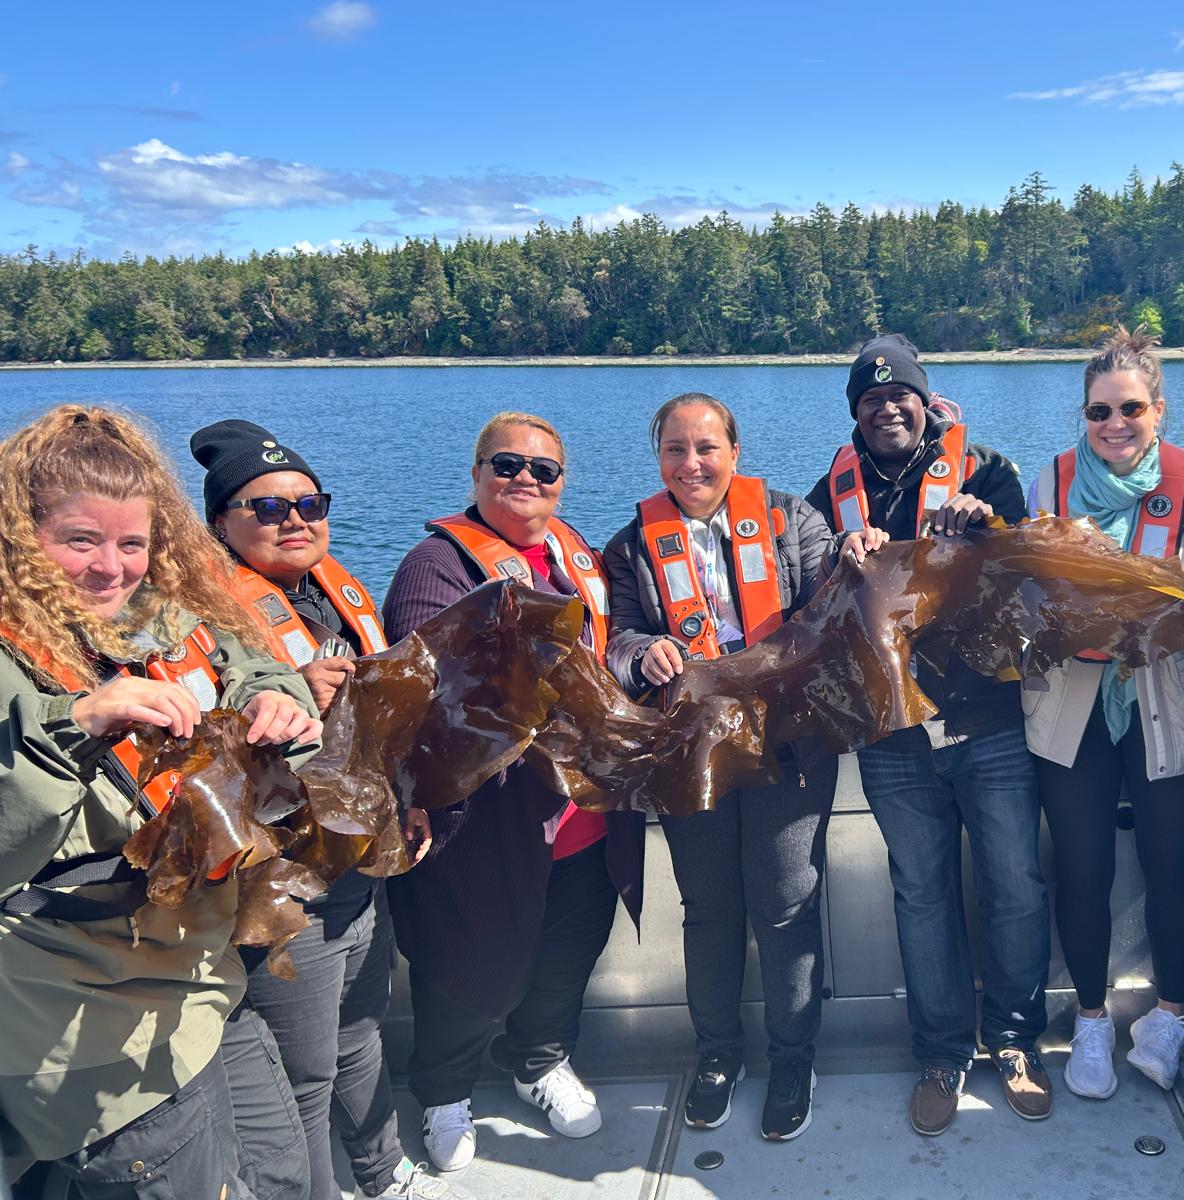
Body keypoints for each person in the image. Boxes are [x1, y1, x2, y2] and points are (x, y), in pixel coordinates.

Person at [0, 406, 321, 1198]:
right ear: (18, 537)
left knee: (282, 1172)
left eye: (133, 543)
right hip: (87, 1014)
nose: (112, 568)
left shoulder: (168, 618)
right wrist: (74, 724)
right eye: (80, 540)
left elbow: (255, 667)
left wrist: (278, 704)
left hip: (207, 973)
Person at [191, 420, 466, 1200]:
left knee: (359, 1027)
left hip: (360, 854)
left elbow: (383, 723)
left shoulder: (332, 595)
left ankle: (379, 1170)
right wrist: (278, 695)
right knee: (302, 1068)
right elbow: (188, 743)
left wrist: (405, 804)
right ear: (221, 525)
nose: (295, 519)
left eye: (310, 503)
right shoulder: (205, 619)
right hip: (284, 878)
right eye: (267, 508)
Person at [804, 335, 1053, 1135]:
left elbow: (1039, 569)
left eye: (900, 394)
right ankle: (943, 1052)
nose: (887, 408)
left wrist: (990, 528)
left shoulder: (988, 473)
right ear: (856, 413)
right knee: (921, 894)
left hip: (989, 722)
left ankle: (1015, 1041)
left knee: (1016, 883)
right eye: (870, 400)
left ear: (925, 400)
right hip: (893, 734)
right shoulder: (827, 499)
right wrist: (839, 561)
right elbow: (808, 605)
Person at [382, 412, 643, 1174]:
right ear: (476, 475)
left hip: (584, 814)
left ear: (562, 485)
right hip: (491, 818)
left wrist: (641, 654)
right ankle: (445, 1091)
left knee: (566, 953)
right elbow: (432, 690)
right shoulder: (436, 565)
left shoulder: (571, 554)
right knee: (470, 962)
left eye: (544, 469)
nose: (526, 479)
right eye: (507, 465)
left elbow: (607, 641)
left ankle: (539, 1060)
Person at [604, 392, 859, 1142]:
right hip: (694, 755)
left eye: (706, 448)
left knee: (785, 907)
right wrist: (638, 653)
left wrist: (854, 556)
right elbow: (614, 635)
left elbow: (831, 609)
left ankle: (792, 1058)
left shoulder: (791, 521)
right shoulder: (632, 546)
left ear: (735, 453)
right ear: (659, 460)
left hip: (790, 748)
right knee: (710, 909)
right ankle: (717, 1055)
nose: (691, 464)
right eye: (675, 450)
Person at [1024, 326, 1184, 1098]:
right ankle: (1090, 1022)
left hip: (1165, 695)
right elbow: (1041, 592)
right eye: (1098, 411)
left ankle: (1168, 1018)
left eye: (1130, 409)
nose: (1114, 425)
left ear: (1159, 410)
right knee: (1082, 869)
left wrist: (1127, 600)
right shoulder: (1049, 483)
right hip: (1071, 702)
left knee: (1171, 865)